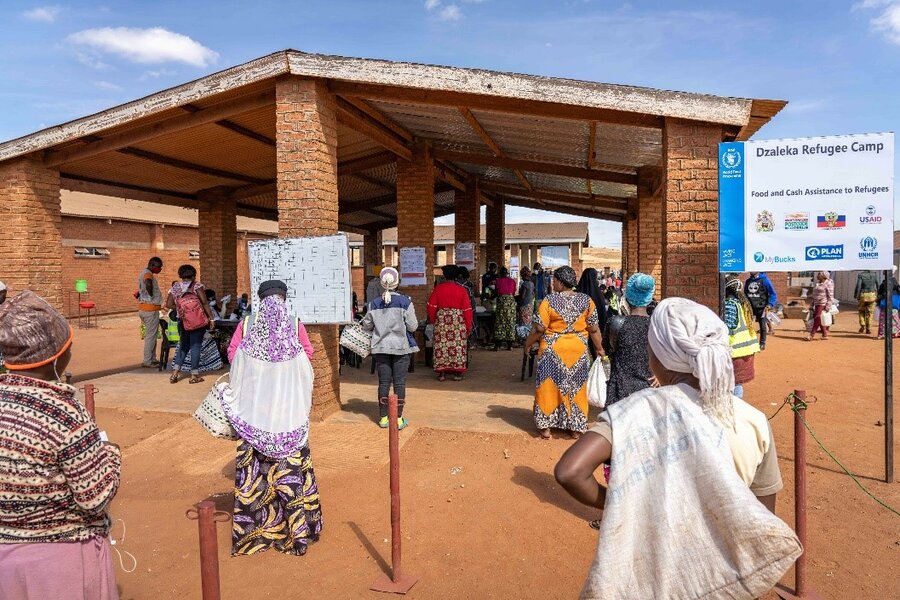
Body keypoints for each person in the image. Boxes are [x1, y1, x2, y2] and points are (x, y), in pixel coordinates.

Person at [554, 298, 783, 595]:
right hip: (720, 580)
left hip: (652, 576)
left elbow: (570, 472)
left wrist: (615, 503)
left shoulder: (633, 413)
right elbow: (762, 517)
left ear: (659, 358)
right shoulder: (754, 422)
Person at [0, 291, 121, 599]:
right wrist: (111, 454)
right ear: (58, 354)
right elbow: (95, 497)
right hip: (60, 560)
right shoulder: (63, 413)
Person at [222, 280, 322, 556]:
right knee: (290, 470)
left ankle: (258, 531)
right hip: (287, 413)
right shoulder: (293, 322)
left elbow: (233, 354)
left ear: (260, 299)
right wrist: (284, 378)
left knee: (258, 473)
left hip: (255, 413)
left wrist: (257, 373)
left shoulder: (247, 324)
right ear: (284, 298)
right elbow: (307, 355)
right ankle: (297, 532)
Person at [523, 266, 604, 440]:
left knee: (548, 386)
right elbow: (594, 329)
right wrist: (599, 350)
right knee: (576, 387)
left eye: (554, 281)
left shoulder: (549, 301)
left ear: (560, 282)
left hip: (552, 351)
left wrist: (528, 344)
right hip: (577, 351)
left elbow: (539, 328)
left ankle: (545, 427)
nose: (553, 283)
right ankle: (575, 428)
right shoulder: (586, 301)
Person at [362, 267, 419, 427]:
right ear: (397, 282)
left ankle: (383, 418)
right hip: (401, 348)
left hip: (381, 349)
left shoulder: (373, 304)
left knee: (384, 383)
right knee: (399, 383)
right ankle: (399, 419)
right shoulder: (405, 302)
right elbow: (413, 326)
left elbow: (367, 325)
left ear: (381, 283)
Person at [605, 273, 655, 406]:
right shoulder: (657, 327)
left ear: (627, 297)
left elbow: (608, 349)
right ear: (649, 299)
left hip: (620, 392)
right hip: (650, 393)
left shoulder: (615, 323)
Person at [166, 265, 216, 383]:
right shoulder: (197, 286)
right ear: (193, 275)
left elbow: (168, 304)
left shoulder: (176, 287)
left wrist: (181, 309)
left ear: (181, 275)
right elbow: (204, 302)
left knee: (183, 346)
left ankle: (174, 374)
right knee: (195, 347)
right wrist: (211, 319)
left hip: (182, 321)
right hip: (197, 321)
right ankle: (194, 375)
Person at [426, 265, 473, 382]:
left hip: (442, 321)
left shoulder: (438, 289)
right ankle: (458, 374)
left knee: (441, 346)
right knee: (457, 346)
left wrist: (434, 320)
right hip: (458, 322)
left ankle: (441, 374)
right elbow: (467, 310)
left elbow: (431, 307)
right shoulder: (462, 290)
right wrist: (468, 326)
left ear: (444, 276)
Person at [723, 275, 760, 399]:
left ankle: (734, 411)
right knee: (737, 383)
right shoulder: (743, 303)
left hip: (735, 352)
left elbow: (728, 325)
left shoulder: (729, 303)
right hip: (746, 351)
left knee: (730, 384)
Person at [576, 268, 608, 358]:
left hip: (579, 333)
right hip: (595, 331)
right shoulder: (598, 295)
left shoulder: (577, 294)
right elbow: (602, 314)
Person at [137, 257, 163, 368]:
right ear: (152, 265)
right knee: (151, 336)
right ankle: (148, 361)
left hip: (145, 309)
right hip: (150, 309)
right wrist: (151, 294)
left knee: (152, 335)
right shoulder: (148, 274)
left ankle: (152, 358)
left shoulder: (143, 273)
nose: (160, 269)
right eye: (159, 267)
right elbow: (148, 284)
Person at [744, 272, 777, 350]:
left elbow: (773, 294)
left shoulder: (765, 280)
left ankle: (762, 343)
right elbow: (745, 294)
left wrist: (770, 305)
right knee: (747, 325)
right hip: (750, 308)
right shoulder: (748, 281)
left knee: (762, 326)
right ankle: (749, 342)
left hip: (762, 308)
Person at [493, 266, 518, 350]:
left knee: (500, 323)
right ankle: (509, 346)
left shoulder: (498, 281)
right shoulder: (512, 281)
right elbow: (514, 292)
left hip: (501, 304)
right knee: (510, 323)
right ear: (507, 273)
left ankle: (497, 346)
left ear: (500, 273)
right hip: (510, 304)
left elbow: (496, 292)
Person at [807, 271, 834, 341]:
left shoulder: (828, 284)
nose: (818, 275)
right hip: (816, 303)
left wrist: (828, 306)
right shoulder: (818, 284)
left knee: (817, 318)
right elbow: (814, 295)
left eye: (819, 274)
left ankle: (811, 335)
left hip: (823, 303)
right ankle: (825, 334)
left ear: (823, 276)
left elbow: (830, 296)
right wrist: (812, 304)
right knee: (820, 318)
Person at [877, 265, 900, 339]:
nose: (883, 272)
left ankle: (882, 333)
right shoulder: (894, 281)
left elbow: (884, 292)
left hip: (885, 303)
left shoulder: (886, 282)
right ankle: (896, 332)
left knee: (883, 319)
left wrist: (878, 298)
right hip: (894, 303)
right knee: (895, 317)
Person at [854, 270, 878, 335]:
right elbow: (877, 284)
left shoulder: (861, 275)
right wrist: (877, 295)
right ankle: (868, 328)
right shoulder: (874, 275)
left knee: (861, 311)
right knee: (870, 313)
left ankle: (862, 325)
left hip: (863, 295)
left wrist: (856, 295)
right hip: (872, 295)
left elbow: (858, 286)